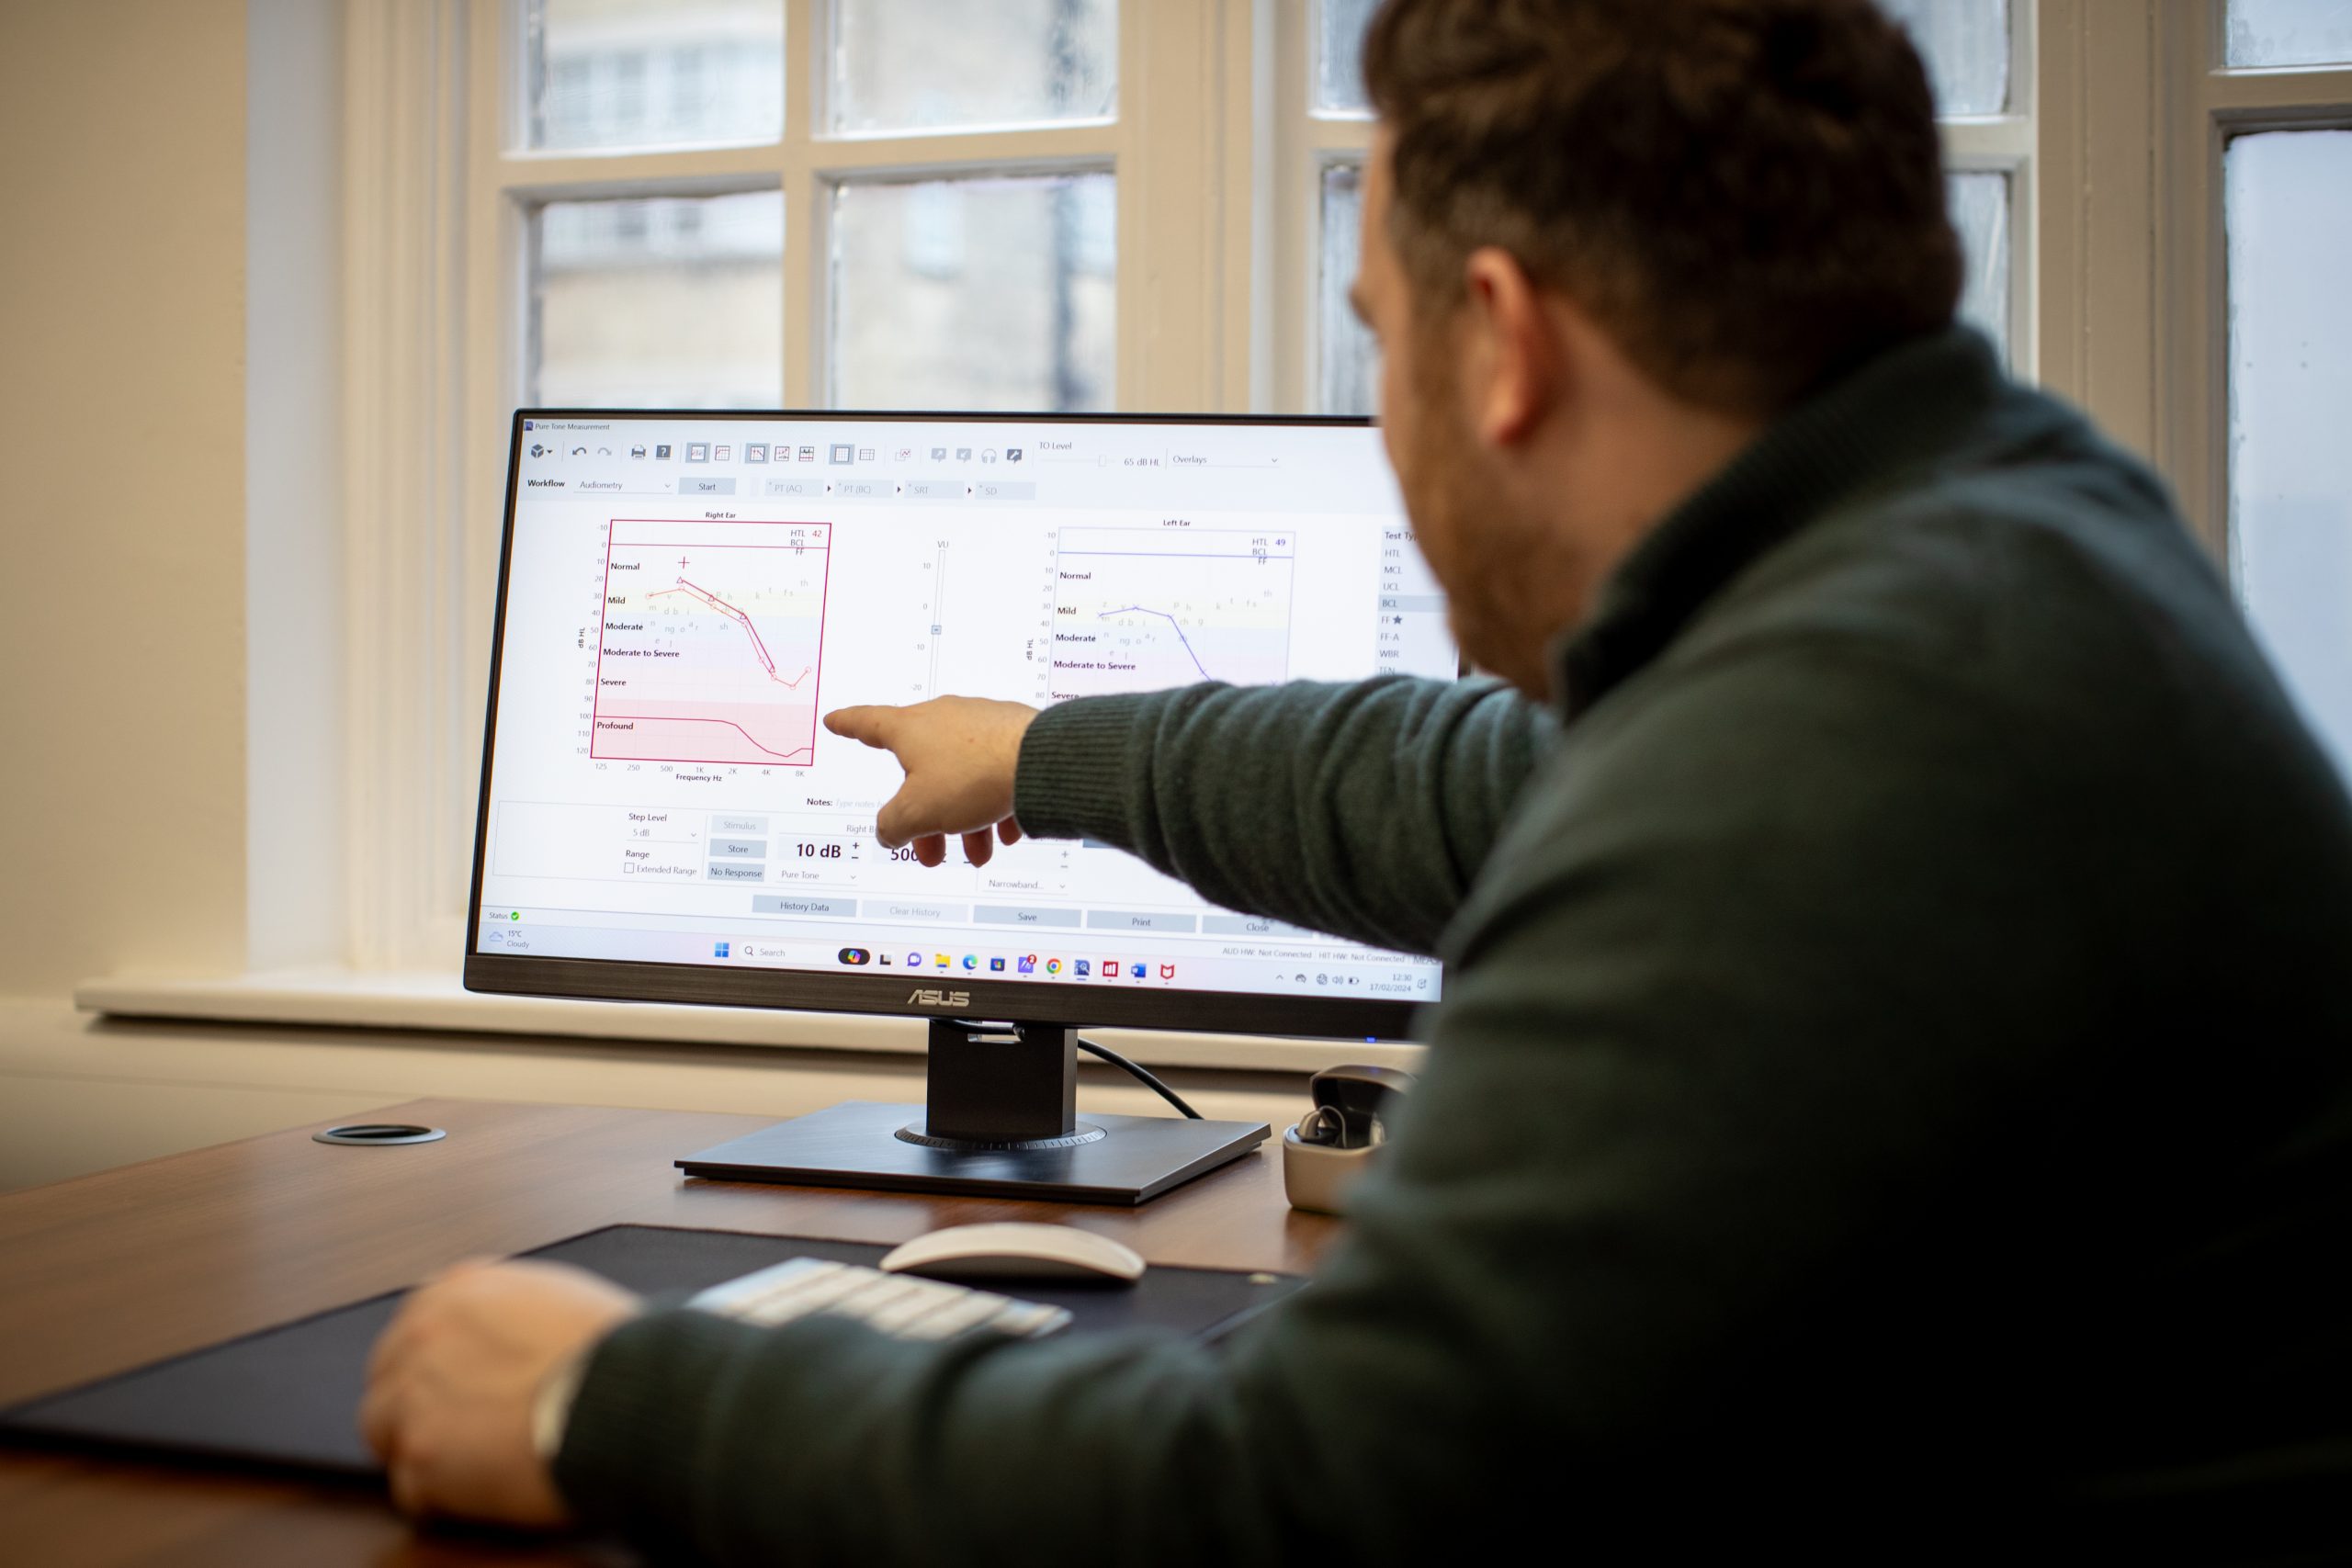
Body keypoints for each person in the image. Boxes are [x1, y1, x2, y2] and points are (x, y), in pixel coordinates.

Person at [360, 0, 2352, 1559]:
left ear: (1499, 343)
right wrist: (1048, 754)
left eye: (1377, 340)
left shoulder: (1828, 746)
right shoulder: (1997, 545)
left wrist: (614, 1403)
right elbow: (1478, 779)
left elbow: (1312, 1509)